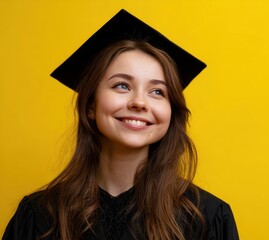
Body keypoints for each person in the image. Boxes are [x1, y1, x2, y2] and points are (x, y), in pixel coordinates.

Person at [3, 9, 239, 240]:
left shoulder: (205, 219)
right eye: (122, 86)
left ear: (171, 111)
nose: (139, 102)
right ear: (90, 106)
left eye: (157, 91)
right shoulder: (40, 217)